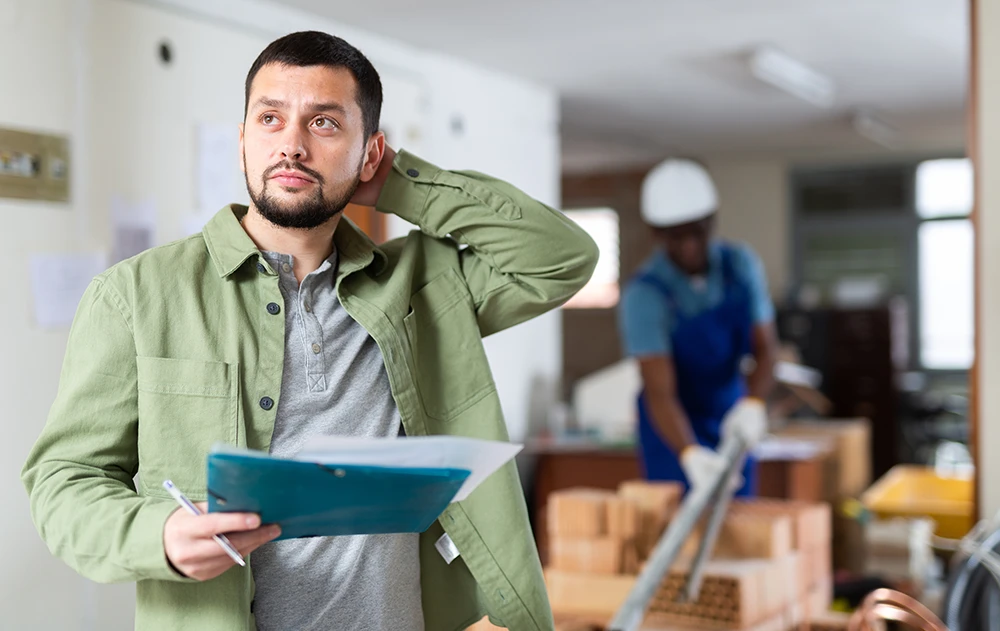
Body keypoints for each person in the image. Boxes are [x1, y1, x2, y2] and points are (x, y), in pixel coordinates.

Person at [22, 31, 597, 631]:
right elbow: (64, 481)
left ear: (369, 153)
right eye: (270, 118)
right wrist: (158, 535)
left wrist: (400, 184)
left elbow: (559, 258)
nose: (291, 146)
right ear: (243, 139)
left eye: (324, 124)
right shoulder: (135, 295)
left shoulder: (423, 286)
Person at [617, 159, 777, 497]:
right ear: (656, 234)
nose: (689, 244)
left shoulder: (740, 267)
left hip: (730, 414)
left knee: (739, 521)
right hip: (670, 424)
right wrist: (689, 453)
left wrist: (753, 405)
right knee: (676, 522)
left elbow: (766, 349)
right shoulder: (645, 294)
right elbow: (660, 391)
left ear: (712, 221)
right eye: (676, 236)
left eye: (697, 230)